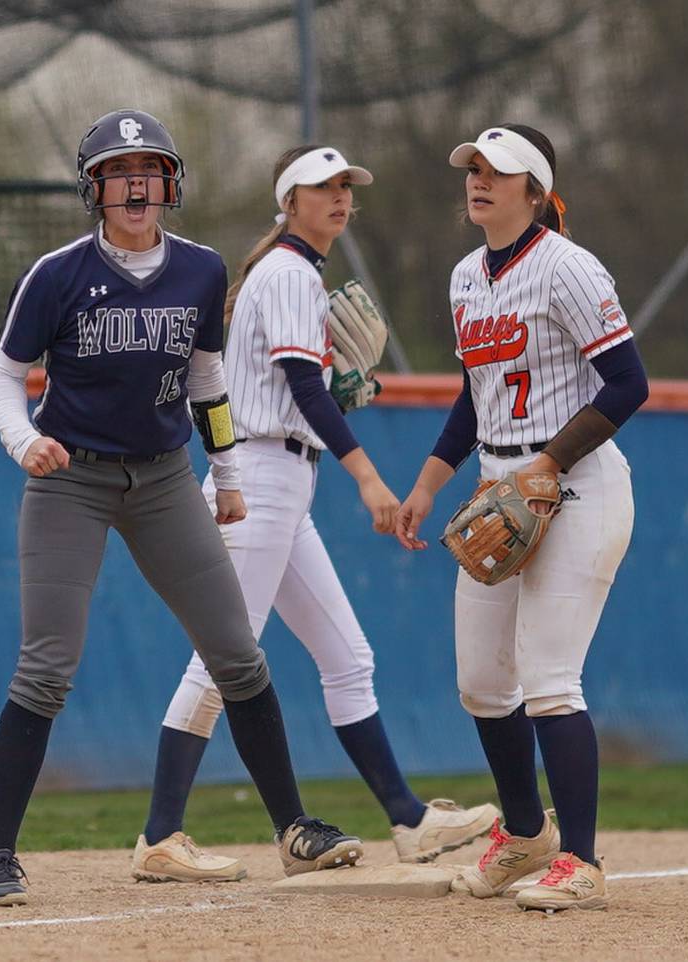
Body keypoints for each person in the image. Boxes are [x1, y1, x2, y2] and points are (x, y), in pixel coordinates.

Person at [0, 110, 364, 906]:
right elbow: (2, 377)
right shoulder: (55, 274)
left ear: (170, 184)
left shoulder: (200, 270)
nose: (137, 184)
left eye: (149, 169)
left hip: (160, 478)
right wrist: (23, 443)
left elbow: (206, 381)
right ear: (94, 188)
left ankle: (293, 827)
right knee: (47, 668)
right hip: (70, 479)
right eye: (119, 171)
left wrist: (224, 474)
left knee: (237, 655)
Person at [130, 144, 498, 884]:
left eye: (343, 187)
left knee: (347, 657)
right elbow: (302, 381)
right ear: (288, 201)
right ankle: (160, 836)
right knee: (220, 663)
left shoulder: (289, 273)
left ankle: (410, 819)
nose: (337, 197)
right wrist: (367, 477)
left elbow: (299, 379)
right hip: (259, 485)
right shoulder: (291, 272)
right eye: (319, 187)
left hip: (282, 490)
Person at [392, 124, 649, 912]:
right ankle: (525, 833)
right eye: (473, 168)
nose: (479, 180)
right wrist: (430, 484)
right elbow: (477, 398)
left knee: (548, 680)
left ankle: (580, 861)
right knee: (481, 682)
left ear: (534, 192)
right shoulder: (467, 276)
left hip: (577, 487)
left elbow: (627, 384)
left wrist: (548, 463)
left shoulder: (569, 268)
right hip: (498, 487)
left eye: (497, 172)